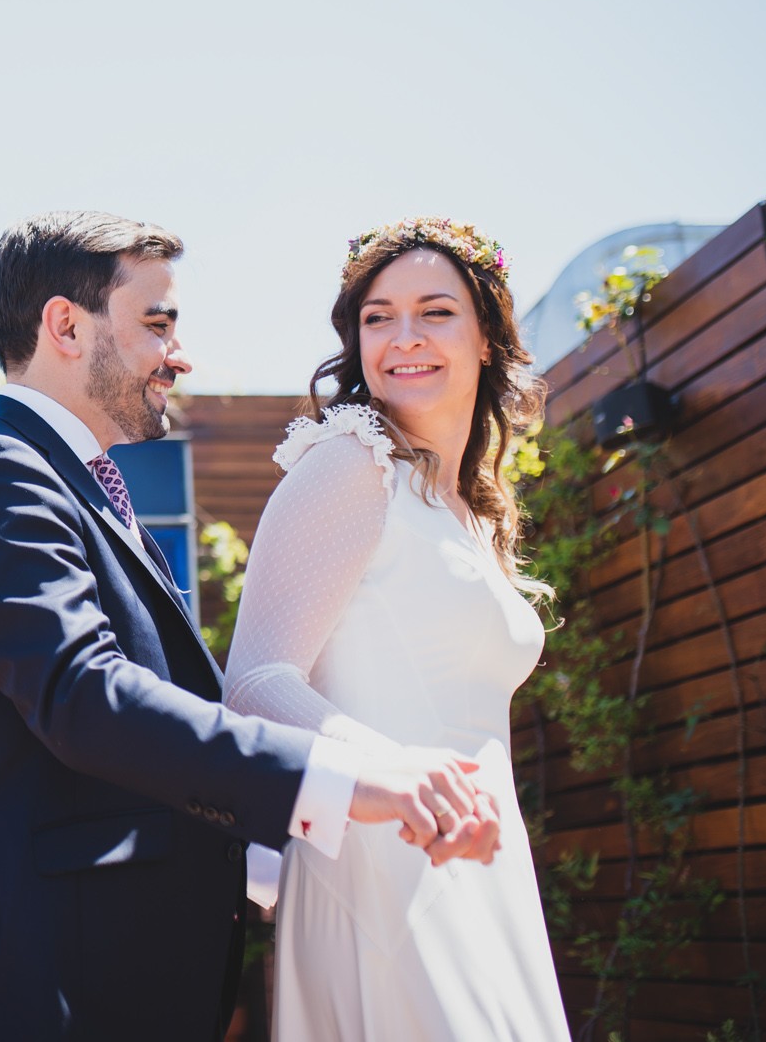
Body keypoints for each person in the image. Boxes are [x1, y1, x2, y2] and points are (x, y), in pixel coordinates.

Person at [0, 211, 503, 1042]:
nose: (179, 356)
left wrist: (271, 861)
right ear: (65, 326)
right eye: (157, 324)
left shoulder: (82, 489)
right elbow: (86, 696)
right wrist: (351, 779)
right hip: (43, 986)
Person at [223, 217, 569, 1039]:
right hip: (380, 859)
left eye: (435, 312)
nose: (403, 336)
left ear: (487, 338)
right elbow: (256, 682)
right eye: (378, 317)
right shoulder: (350, 463)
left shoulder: (469, 509)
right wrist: (397, 772)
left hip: (481, 857)